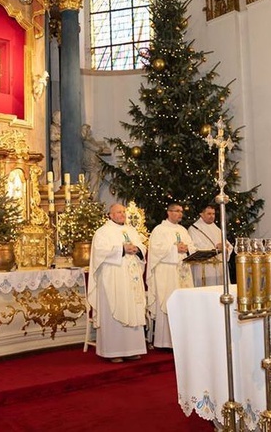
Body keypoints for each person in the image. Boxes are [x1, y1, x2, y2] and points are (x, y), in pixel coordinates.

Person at [87, 203, 148, 363]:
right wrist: (121, 249)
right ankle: (113, 351)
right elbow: (100, 253)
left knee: (132, 308)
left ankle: (132, 349)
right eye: (118, 212)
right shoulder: (102, 232)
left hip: (131, 278)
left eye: (123, 212)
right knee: (115, 309)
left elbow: (142, 246)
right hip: (112, 279)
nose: (122, 214)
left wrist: (137, 249)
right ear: (110, 215)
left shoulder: (131, 230)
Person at [147, 202, 196, 348]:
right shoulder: (159, 230)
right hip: (167, 272)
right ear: (168, 212)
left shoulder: (183, 230)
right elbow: (156, 250)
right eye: (176, 211)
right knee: (169, 302)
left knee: (183, 304)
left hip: (183, 270)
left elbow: (192, 247)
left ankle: (182, 341)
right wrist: (174, 249)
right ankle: (165, 342)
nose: (180, 214)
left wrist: (187, 249)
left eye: (181, 211)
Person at [187, 204, 233, 286]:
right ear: (201, 214)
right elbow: (195, 248)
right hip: (204, 268)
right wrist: (217, 248)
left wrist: (225, 247)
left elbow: (229, 246)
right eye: (209, 214)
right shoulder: (194, 229)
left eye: (213, 214)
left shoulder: (216, 229)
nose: (212, 216)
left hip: (219, 267)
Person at [81, 124, 111, 195]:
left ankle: (92, 195)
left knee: (95, 180)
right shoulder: (86, 142)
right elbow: (96, 148)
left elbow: (97, 146)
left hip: (94, 161)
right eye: (88, 130)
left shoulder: (91, 139)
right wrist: (101, 148)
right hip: (90, 162)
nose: (89, 132)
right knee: (93, 179)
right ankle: (90, 195)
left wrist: (101, 146)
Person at [50, 111, 61, 183]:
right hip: (55, 148)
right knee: (57, 161)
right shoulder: (53, 127)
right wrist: (59, 136)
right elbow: (52, 137)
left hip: (60, 147)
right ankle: (57, 177)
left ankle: (60, 176)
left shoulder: (60, 127)